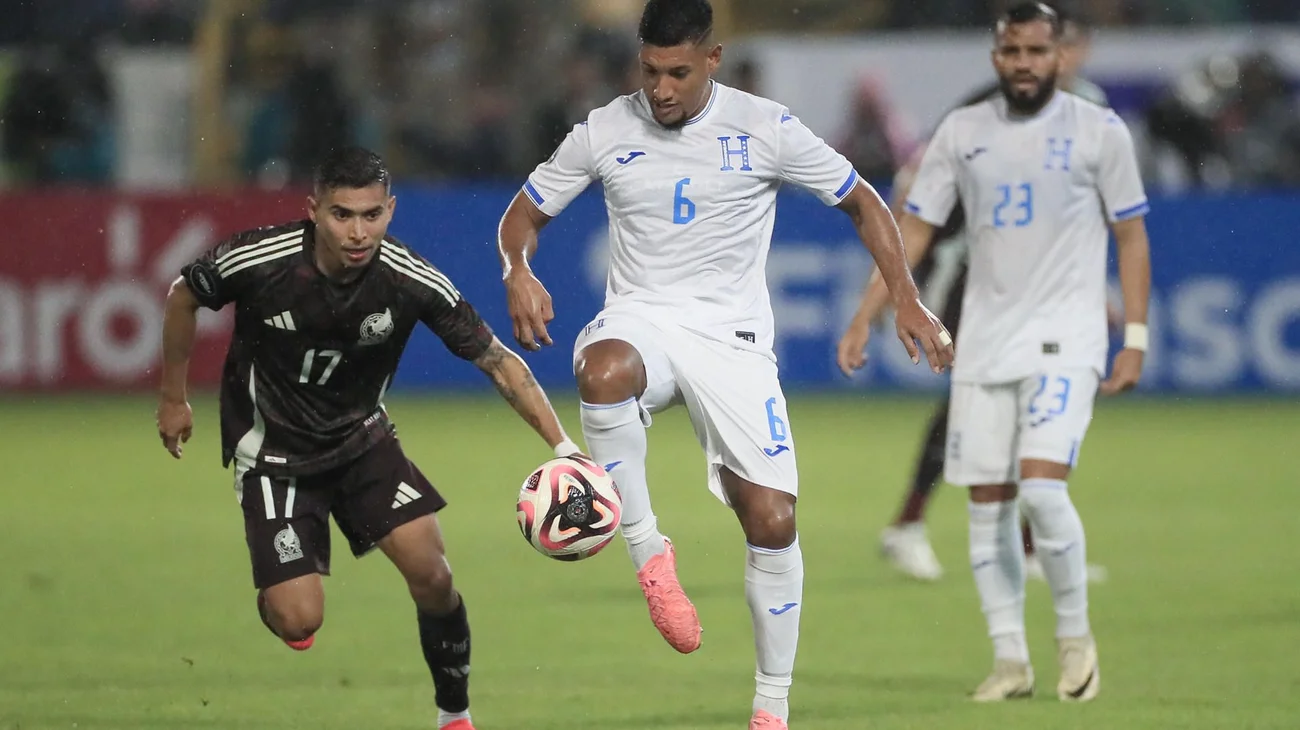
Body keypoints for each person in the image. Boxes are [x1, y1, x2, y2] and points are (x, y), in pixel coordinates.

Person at [496, 1, 953, 727]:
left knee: (772, 521)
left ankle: (771, 707)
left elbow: (863, 201)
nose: (662, 89)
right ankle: (648, 554)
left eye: (678, 72)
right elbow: (522, 214)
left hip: (732, 340)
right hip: (641, 317)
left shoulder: (764, 127)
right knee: (604, 369)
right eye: (650, 72)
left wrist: (905, 298)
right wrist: (517, 267)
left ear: (713, 59)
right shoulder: (605, 129)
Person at [155, 147, 582, 730]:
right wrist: (173, 397)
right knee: (299, 620)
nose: (358, 232)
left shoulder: (408, 278)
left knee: (435, 578)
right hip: (275, 458)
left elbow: (497, 362)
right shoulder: (260, 259)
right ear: (314, 210)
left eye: (372, 215)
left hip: (362, 444)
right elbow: (183, 294)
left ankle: (454, 715)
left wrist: (565, 449)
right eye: (342, 215)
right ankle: (277, 597)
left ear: (391, 210)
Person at [839, 2, 1151, 702]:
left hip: (1067, 339)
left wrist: (1134, 335)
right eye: (1013, 52)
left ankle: (1075, 639)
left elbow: (1131, 235)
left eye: (1038, 52)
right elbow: (913, 227)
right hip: (983, 340)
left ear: (1059, 56)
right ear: (996, 56)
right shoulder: (964, 131)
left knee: (1042, 489)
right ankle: (1010, 659)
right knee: (987, 508)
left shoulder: (1099, 130)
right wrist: (867, 314)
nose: (1025, 64)